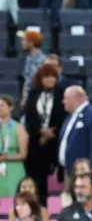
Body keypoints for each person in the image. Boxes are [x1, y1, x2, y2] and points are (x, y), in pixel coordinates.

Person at [24, 63, 67, 196]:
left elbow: (66, 116)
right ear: (40, 79)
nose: (50, 80)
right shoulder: (33, 94)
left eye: (53, 77)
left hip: (56, 141)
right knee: (37, 178)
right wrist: (40, 132)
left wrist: (51, 133)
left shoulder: (62, 93)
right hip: (36, 142)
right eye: (46, 77)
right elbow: (29, 117)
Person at [57, 85, 92, 182]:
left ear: (76, 98)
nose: (63, 101)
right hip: (68, 170)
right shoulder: (71, 116)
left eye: (65, 98)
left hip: (84, 172)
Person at [0, 94, 30, 197]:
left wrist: (6, 158)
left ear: (11, 107)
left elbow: (23, 154)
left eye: (2, 105)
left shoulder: (18, 128)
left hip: (13, 168)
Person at [18, 29, 46, 106]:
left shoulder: (43, 60)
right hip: (29, 98)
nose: (21, 43)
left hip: (38, 99)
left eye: (24, 40)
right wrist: (24, 98)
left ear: (31, 43)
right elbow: (27, 80)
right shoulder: (28, 58)